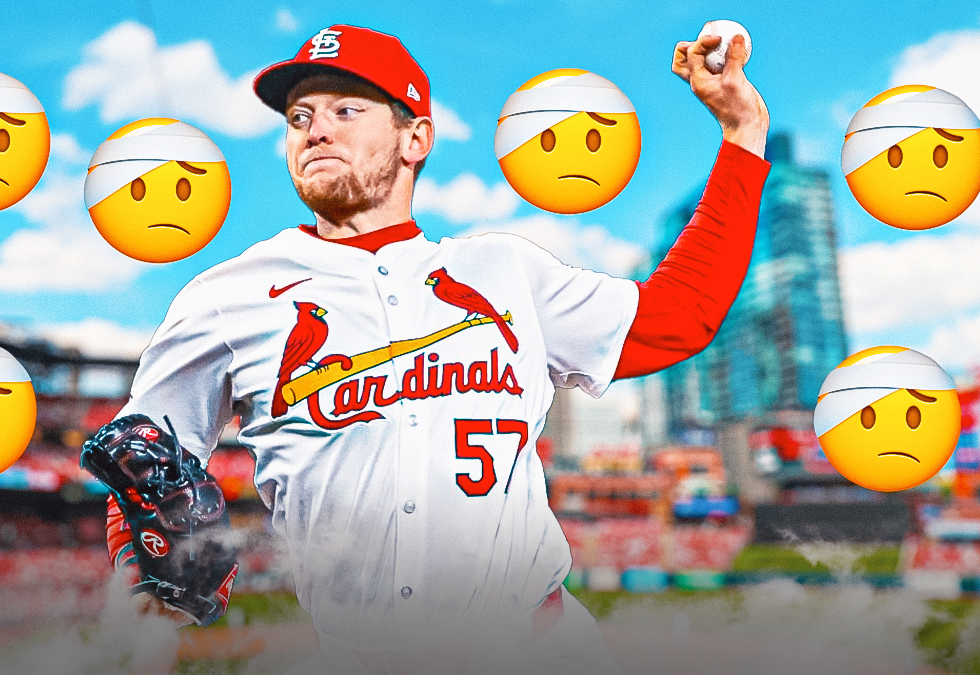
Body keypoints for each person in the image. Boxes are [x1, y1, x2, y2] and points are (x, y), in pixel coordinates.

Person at [105, 23, 769, 675]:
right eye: (299, 115)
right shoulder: (228, 295)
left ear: (415, 137)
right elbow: (140, 459)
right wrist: (143, 582)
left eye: (346, 108)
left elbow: (679, 316)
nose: (315, 128)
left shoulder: (505, 272)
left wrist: (742, 132)